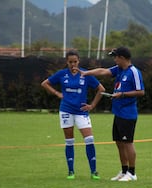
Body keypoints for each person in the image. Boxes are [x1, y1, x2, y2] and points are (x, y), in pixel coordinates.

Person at [77, 47, 145, 181]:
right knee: (119, 142)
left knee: (128, 143)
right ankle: (124, 170)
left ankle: (132, 173)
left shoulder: (134, 72)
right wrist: (87, 73)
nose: (114, 59)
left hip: (128, 113)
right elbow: (103, 71)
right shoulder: (119, 69)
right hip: (118, 113)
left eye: (116, 57)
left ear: (122, 58)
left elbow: (141, 91)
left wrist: (123, 94)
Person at [41, 50, 105, 180]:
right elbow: (45, 83)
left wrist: (92, 105)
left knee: (89, 139)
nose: (73, 64)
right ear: (67, 62)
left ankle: (94, 172)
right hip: (66, 110)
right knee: (69, 141)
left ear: (78, 61)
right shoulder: (62, 74)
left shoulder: (85, 74)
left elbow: (101, 89)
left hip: (81, 111)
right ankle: (71, 171)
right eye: (70, 62)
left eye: (75, 62)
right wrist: (57, 94)